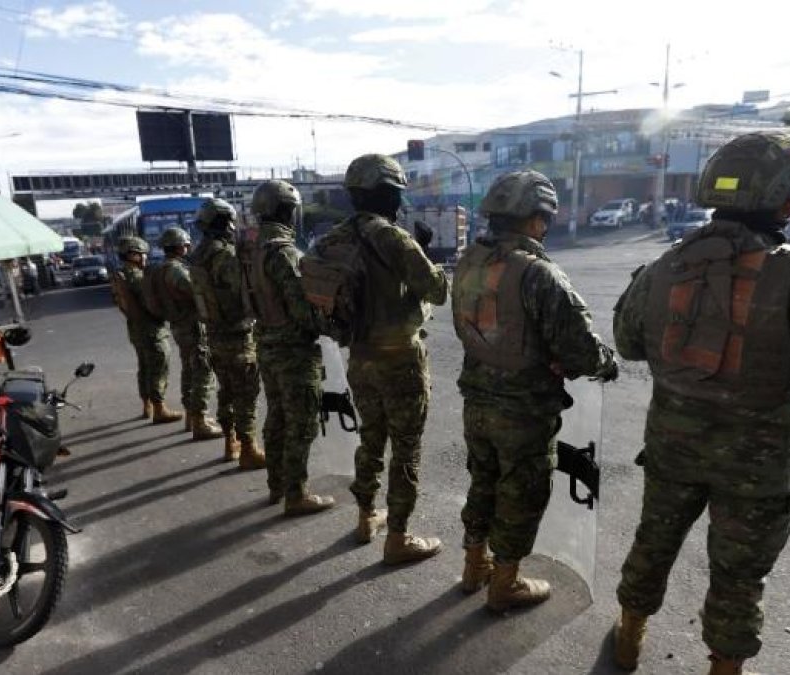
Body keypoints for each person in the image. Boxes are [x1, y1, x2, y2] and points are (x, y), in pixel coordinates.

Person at [611, 132, 790, 675]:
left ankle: (629, 638)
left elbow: (627, 343)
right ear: (784, 198)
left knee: (653, 541)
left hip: (673, 449)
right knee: (739, 576)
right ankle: (725, 666)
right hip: (758, 467)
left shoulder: (665, 268)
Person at [453, 170, 618, 612]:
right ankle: (504, 582)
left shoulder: (469, 262)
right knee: (521, 494)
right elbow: (581, 349)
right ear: (532, 220)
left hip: (477, 400)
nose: (545, 227)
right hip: (524, 412)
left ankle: (474, 566)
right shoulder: (539, 274)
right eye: (543, 218)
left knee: (483, 481)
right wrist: (608, 364)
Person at [311, 154, 449, 565]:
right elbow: (437, 290)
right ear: (387, 193)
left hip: (359, 357)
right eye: (397, 193)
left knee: (370, 437)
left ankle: (366, 515)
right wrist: (427, 255)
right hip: (400, 360)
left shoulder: (331, 240)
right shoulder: (393, 238)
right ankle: (400, 537)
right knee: (406, 448)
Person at [243, 180, 335, 515]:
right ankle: (296, 494)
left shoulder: (255, 251)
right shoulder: (284, 252)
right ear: (287, 210)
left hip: (266, 344)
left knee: (277, 418)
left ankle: (276, 485)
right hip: (293, 351)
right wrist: (334, 325)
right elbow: (303, 311)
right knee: (302, 423)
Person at [187, 198, 266, 471]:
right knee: (246, 394)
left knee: (227, 391)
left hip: (214, 333)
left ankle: (230, 442)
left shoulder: (198, 255)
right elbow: (242, 290)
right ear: (225, 222)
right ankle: (248, 449)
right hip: (237, 333)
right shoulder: (225, 255)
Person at [143, 227, 224, 440]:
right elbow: (193, 290)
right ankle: (200, 421)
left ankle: (192, 417)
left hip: (179, 325)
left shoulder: (161, 269)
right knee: (203, 371)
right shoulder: (176, 270)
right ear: (180, 246)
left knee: (190, 370)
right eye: (186, 244)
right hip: (192, 326)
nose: (188, 248)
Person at [110, 236, 181, 424]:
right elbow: (152, 303)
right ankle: (159, 408)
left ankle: (147, 405)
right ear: (133, 255)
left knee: (144, 367)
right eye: (142, 254)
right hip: (151, 330)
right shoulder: (137, 277)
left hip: (135, 328)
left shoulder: (121, 275)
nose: (145, 258)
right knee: (158, 367)